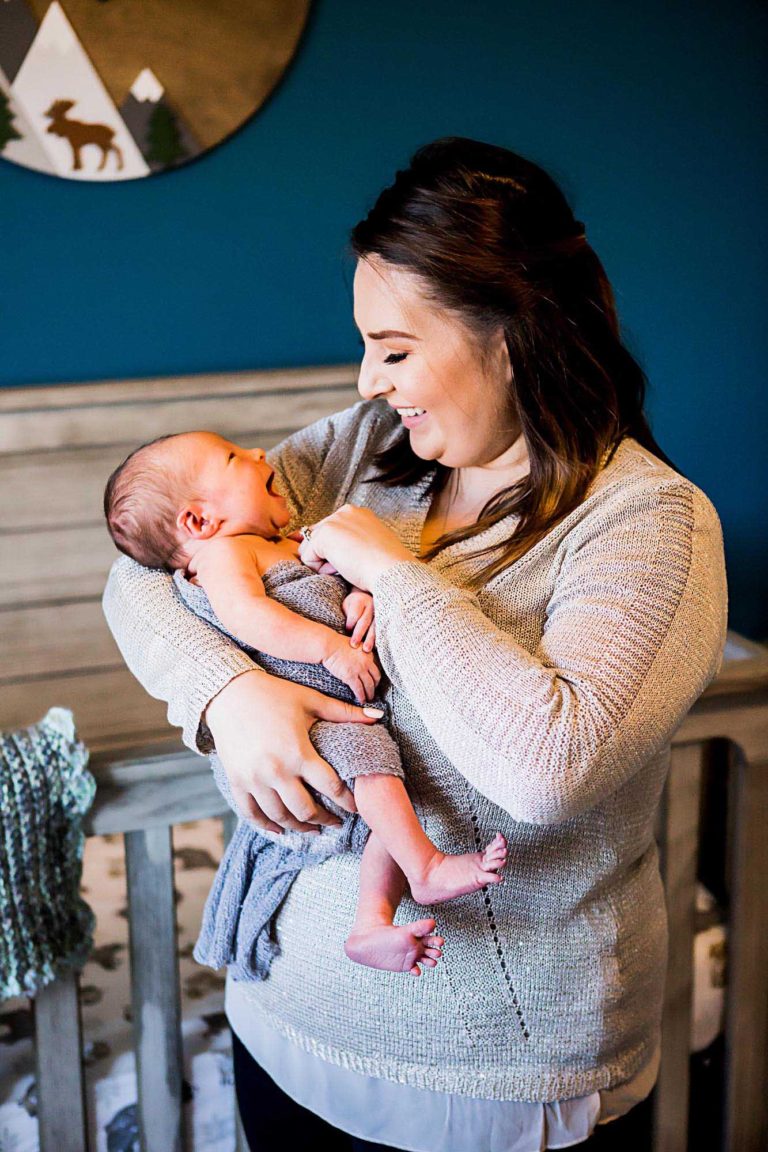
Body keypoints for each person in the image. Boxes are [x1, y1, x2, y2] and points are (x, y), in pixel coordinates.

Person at [103, 137, 728, 1151]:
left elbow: (550, 768)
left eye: (394, 349)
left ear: (512, 332)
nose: (367, 379)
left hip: (494, 1081)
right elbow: (147, 567)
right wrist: (230, 694)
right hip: (282, 1017)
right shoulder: (365, 450)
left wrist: (398, 577)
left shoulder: (650, 526)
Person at [102, 430, 507, 979]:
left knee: (388, 792)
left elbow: (339, 581)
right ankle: (426, 865)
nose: (261, 454)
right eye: (234, 457)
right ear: (199, 522)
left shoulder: (284, 542)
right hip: (304, 715)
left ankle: (372, 921)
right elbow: (248, 618)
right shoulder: (224, 553)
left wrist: (364, 594)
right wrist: (331, 649)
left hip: (340, 709)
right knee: (377, 773)